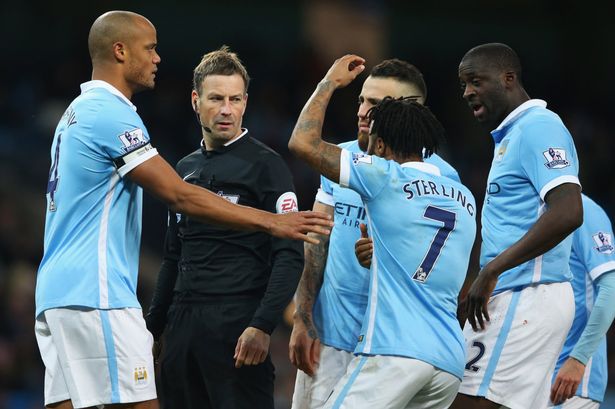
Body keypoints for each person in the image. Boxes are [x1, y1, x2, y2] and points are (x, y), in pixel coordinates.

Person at [34, 11, 331, 409]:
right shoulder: (112, 114)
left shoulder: (74, 113)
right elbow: (179, 195)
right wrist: (272, 222)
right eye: (150, 48)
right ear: (120, 51)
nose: (158, 58)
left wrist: (260, 322)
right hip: (98, 290)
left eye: (235, 99)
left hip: (56, 292)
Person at [289, 54, 477, 408]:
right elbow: (318, 238)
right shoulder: (456, 191)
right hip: (335, 337)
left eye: (375, 104)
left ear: (405, 111)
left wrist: (327, 83)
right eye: (361, 99)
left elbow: (301, 142)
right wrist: (303, 317)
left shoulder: (388, 172)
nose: (362, 111)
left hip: (387, 344)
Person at [143, 46, 303, 409]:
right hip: (182, 328)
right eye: (216, 98)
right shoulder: (183, 169)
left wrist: (263, 325)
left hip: (238, 326)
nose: (226, 109)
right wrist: (154, 326)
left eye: (234, 99)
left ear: (246, 102)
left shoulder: (268, 167)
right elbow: (172, 255)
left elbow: (289, 255)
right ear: (196, 100)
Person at [451, 43, 583, 409]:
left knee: (464, 401)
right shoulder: (512, 136)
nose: (466, 92)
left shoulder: (538, 127)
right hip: (523, 294)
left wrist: (491, 270)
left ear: (508, 79)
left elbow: (569, 211)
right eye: (463, 84)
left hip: (526, 293)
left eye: (475, 80)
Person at [547, 194, 615, 408]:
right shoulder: (536, 213)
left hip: (573, 378)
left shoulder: (584, 210)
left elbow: (611, 288)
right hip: (537, 370)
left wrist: (579, 359)